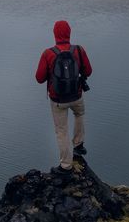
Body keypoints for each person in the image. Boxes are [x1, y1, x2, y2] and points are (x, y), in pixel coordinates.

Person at [35, 20, 93, 172]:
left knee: (62, 130)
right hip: (77, 95)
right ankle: (79, 144)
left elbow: (39, 78)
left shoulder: (48, 53)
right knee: (79, 114)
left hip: (58, 100)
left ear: (54, 34)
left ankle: (66, 165)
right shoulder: (79, 50)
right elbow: (88, 72)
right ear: (69, 33)